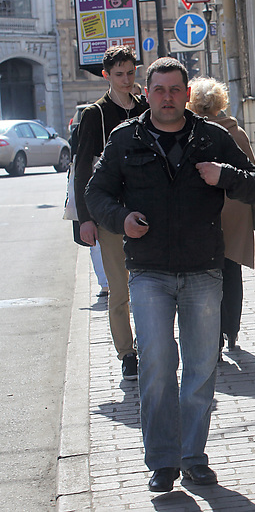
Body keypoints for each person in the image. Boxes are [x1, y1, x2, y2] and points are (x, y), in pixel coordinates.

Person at [85, 57, 255, 493]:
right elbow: (97, 192)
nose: (167, 97)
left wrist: (225, 175)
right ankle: (163, 462)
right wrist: (121, 218)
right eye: (159, 90)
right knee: (158, 366)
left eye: (174, 90)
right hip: (148, 271)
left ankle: (193, 456)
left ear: (187, 94)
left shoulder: (213, 137)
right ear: (146, 94)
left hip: (204, 269)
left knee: (202, 368)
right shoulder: (125, 139)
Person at [74, 45, 148, 381]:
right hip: (109, 211)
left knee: (152, 284)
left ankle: (150, 344)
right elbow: (81, 169)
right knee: (120, 289)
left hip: (147, 209)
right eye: (119, 74)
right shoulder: (95, 114)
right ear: (107, 75)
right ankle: (127, 353)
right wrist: (84, 218)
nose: (126, 80)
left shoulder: (145, 108)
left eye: (130, 73)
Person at [187, 76, 255, 357]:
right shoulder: (236, 133)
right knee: (231, 271)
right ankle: (231, 330)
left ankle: (215, 335)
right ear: (220, 103)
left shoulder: (192, 134)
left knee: (206, 275)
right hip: (236, 213)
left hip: (203, 213)